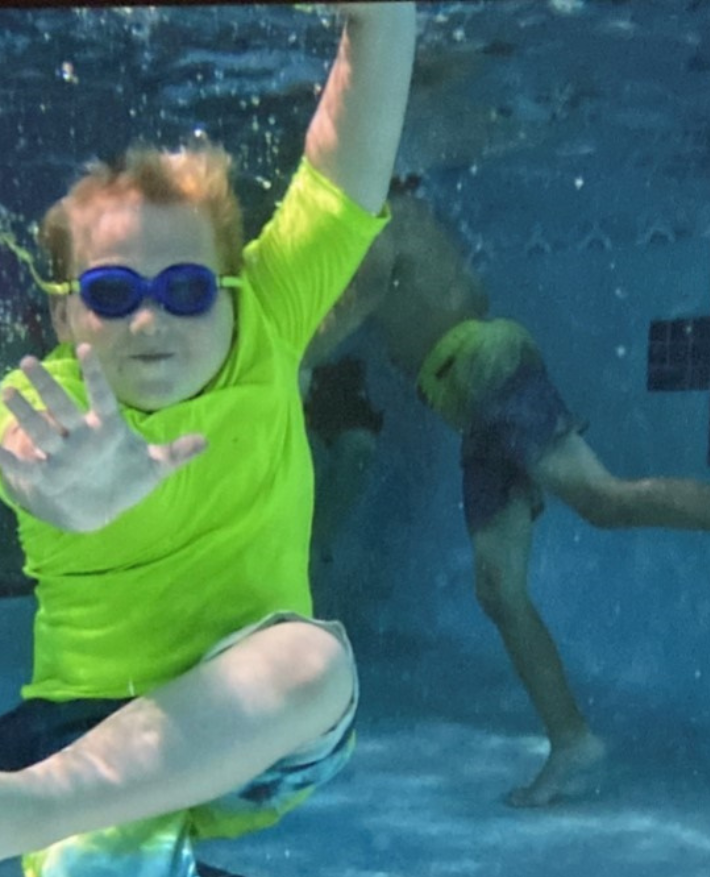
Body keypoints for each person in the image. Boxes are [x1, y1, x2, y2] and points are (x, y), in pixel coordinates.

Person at [0, 4, 472, 877]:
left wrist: (381, 21)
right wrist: (86, 501)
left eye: (185, 288)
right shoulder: (38, 406)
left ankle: (32, 810)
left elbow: (347, 161)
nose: (151, 320)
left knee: (311, 661)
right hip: (89, 733)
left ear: (233, 289)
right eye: (112, 294)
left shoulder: (266, 322)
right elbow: (38, 483)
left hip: (246, 735)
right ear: (65, 315)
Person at [302, 179, 710, 809]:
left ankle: (573, 740)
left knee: (602, 501)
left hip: (481, 368)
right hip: (473, 388)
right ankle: (573, 741)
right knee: (498, 588)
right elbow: (464, 293)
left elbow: (358, 303)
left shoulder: (383, 219)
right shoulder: (411, 220)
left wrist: (283, 355)